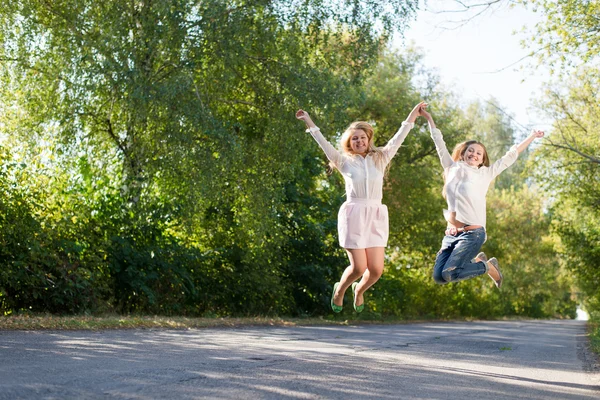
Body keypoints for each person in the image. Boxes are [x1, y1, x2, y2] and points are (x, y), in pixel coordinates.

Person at [295, 102, 424, 313]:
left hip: (376, 214)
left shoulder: (381, 158)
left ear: (368, 140)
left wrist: (413, 114)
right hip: (354, 214)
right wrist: (308, 120)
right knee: (358, 267)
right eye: (355, 138)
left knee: (375, 270)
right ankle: (340, 290)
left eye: (363, 137)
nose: (359, 141)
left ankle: (359, 291)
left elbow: (400, 135)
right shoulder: (343, 161)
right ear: (349, 142)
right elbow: (323, 142)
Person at [419, 103, 544, 288]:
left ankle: (486, 266)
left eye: (479, 153)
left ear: (482, 159)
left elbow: (511, 155)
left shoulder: (485, 174)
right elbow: (438, 142)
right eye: (471, 150)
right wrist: (429, 118)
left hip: (473, 233)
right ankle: (482, 263)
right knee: (439, 277)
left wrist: (532, 136)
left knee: (449, 273)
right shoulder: (451, 167)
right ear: (463, 153)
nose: (474, 154)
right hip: (451, 234)